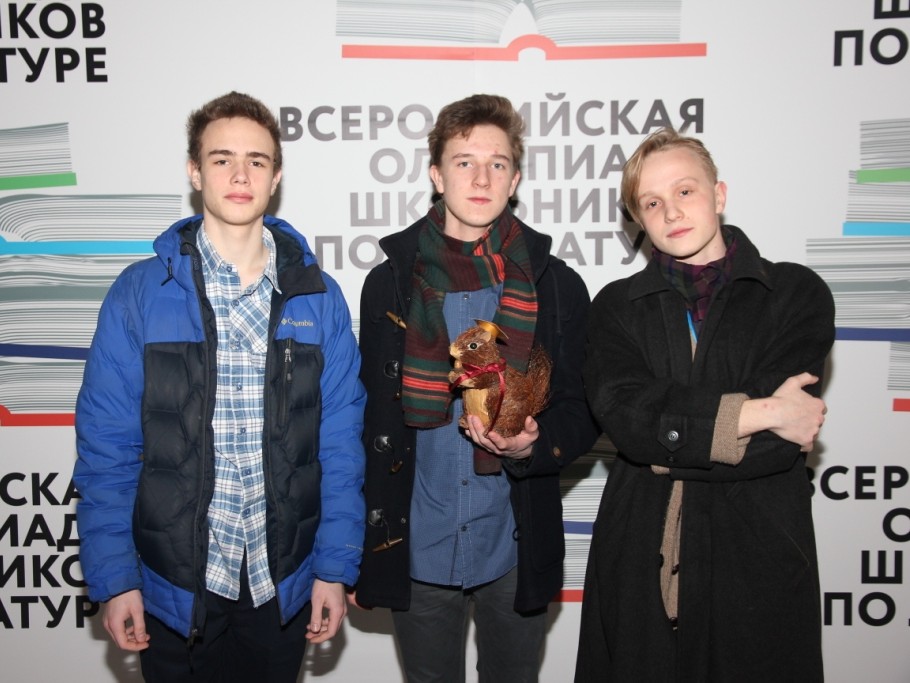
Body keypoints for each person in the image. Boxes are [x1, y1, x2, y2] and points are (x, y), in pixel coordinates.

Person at [73, 91, 366, 683]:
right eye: (221, 158)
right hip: (172, 585)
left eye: (257, 161)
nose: (239, 175)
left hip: (279, 583)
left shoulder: (318, 297)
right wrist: (117, 577)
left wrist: (333, 569)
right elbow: (107, 450)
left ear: (275, 177)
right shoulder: (139, 294)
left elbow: (339, 448)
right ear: (194, 171)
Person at [354, 93, 599, 682]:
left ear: (515, 179)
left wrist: (534, 443)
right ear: (437, 175)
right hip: (419, 542)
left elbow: (582, 409)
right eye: (464, 162)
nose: (481, 178)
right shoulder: (388, 284)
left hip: (513, 544)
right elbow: (365, 419)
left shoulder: (556, 285)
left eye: (497, 163)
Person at [576, 127, 833, 682]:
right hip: (639, 550)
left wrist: (661, 443)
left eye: (685, 191)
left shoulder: (794, 293)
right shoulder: (616, 306)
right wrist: (764, 412)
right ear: (638, 220)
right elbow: (624, 419)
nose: (671, 211)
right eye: (652, 202)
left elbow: (773, 451)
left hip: (758, 551)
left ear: (719, 194)